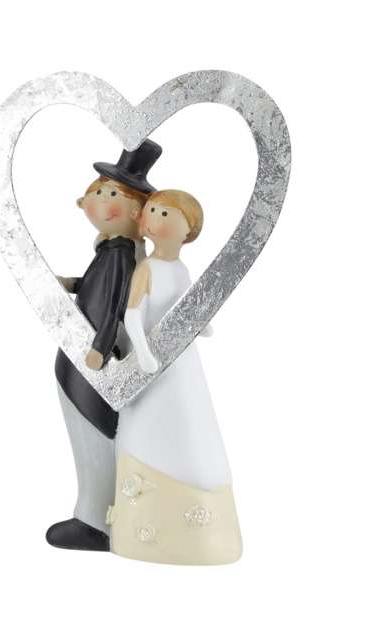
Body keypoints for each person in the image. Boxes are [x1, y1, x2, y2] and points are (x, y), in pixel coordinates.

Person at [113, 189, 241, 564]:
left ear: (189, 230)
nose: (153, 218)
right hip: (152, 364)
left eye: (165, 213)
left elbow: (187, 305)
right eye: (152, 210)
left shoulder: (180, 270)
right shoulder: (147, 269)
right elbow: (133, 315)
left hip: (181, 361)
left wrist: (202, 324)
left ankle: (200, 509)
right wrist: (143, 352)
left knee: (190, 415)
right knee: (153, 418)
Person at [46, 140, 158, 551]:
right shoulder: (111, 251)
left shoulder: (119, 256)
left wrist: (100, 348)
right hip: (84, 358)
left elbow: (114, 307)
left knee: (93, 434)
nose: (92, 201)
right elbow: (98, 291)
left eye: (109, 193)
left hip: (94, 364)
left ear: (135, 212)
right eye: (95, 192)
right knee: (87, 434)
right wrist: (74, 284)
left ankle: (96, 519)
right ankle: (96, 514)